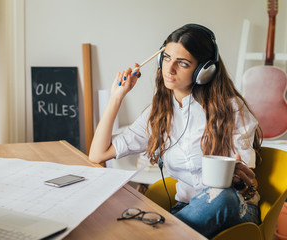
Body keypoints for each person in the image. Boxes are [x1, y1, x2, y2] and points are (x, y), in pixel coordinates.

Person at [89, 23, 263, 238]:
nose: (169, 69)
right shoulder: (159, 112)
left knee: (222, 195)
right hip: (187, 210)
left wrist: (239, 181)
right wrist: (117, 96)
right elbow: (98, 154)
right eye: (167, 58)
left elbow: (245, 187)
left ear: (204, 71)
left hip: (235, 208)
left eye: (183, 63)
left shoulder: (231, 108)